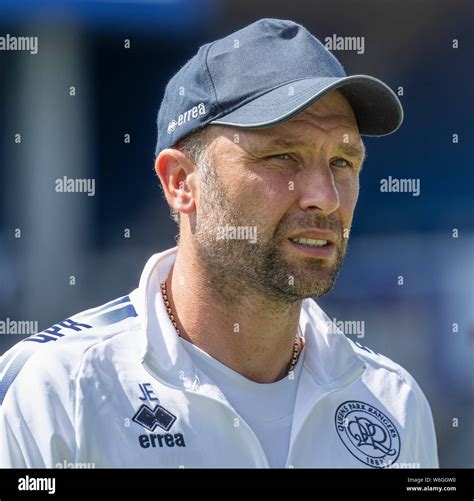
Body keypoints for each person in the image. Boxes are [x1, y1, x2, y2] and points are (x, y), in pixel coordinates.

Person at [0, 18, 438, 468]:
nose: (325, 197)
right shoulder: (56, 391)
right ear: (180, 182)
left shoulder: (396, 403)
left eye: (343, 161)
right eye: (282, 156)